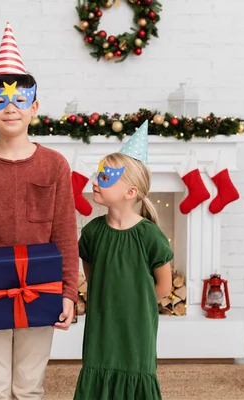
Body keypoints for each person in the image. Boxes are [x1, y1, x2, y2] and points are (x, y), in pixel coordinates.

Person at [0, 22, 79, 399]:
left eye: (20, 100)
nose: (10, 108)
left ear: (35, 107)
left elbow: (64, 232)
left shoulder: (55, 164)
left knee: (29, 385)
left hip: (41, 287)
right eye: (0, 102)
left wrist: (69, 292)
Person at [73, 122, 174, 400]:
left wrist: (133, 306)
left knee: (134, 370)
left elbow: (163, 287)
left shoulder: (150, 235)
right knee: (98, 366)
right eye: (98, 174)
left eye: (105, 177)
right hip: (102, 324)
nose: (94, 181)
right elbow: (93, 276)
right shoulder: (93, 232)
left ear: (129, 192)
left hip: (136, 326)